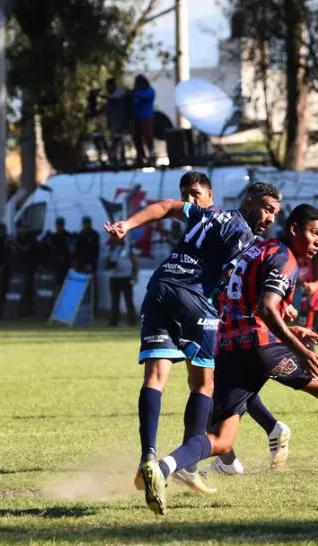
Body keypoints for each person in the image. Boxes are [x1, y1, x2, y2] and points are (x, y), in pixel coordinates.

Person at [138, 204, 318, 514]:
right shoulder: (285, 259)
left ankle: (163, 467)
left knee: (223, 440)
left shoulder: (258, 249)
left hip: (228, 345)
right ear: (294, 229)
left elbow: (234, 296)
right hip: (259, 344)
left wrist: (287, 327)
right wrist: (299, 348)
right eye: (313, 233)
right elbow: (267, 307)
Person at [105, 173, 280, 495]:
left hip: (159, 286)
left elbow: (166, 206)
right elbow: (232, 274)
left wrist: (127, 225)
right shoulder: (242, 231)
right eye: (267, 209)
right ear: (249, 202)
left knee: (155, 378)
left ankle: (148, 456)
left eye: (274, 214)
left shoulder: (206, 213)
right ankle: (187, 466)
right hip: (195, 298)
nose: (269, 219)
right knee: (204, 383)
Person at [105, 235, 138, 327]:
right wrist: (109, 264)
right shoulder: (111, 248)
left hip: (126, 277)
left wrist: (135, 275)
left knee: (129, 300)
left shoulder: (128, 248)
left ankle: (132, 321)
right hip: (114, 277)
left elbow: (135, 261)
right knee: (114, 301)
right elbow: (106, 262)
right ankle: (113, 322)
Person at [131, 74, 156, 165]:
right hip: (137, 118)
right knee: (136, 138)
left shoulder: (150, 91)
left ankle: (152, 154)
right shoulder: (136, 93)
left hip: (147, 117)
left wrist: (134, 93)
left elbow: (145, 96)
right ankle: (141, 156)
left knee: (147, 136)